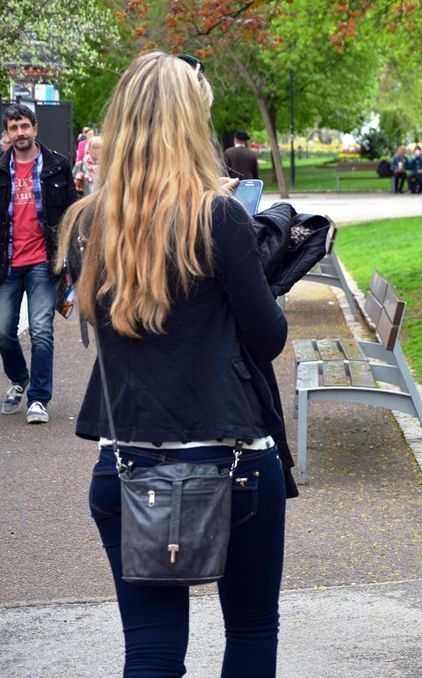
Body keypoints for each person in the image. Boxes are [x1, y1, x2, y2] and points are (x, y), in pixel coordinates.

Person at [57, 52, 288, 677]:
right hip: (231, 460)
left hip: (127, 460)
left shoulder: (88, 224)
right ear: (190, 122)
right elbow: (267, 338)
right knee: (250, 629)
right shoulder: (220, 217)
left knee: (151, 651)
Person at [0, 103, 77, 424]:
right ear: (7, 133)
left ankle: (39, 398)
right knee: (3, 331)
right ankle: (20, 378)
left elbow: (71, 215)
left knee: (42, 330)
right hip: (6, 263)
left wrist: (72, 263)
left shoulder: (58, 165)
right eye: (13, 128)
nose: (20, 133)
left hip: (43, 262)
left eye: (24, 126)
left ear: (35, 128)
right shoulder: (1, 168)